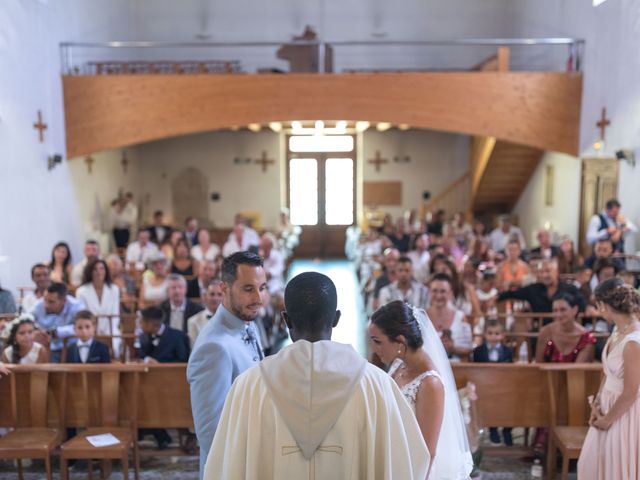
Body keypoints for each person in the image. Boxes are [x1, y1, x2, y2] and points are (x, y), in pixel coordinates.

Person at [205, 274, 430, 480]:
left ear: (286, 319)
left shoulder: (249, 386)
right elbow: (410, 462)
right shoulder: (377, 385)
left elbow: (224, 466)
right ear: (336, 318)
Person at [369, 300, 473, 479]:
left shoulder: (430, 383)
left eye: (378, 342)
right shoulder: (398, 365)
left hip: (417, 469)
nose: (374, 349)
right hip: (397, 456)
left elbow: (427, 452)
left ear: (401, 342)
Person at [187, 251, 268, 477]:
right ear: (224, 288)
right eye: (248, 288)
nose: (259, 299)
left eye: (262, 288)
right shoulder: (213, 347)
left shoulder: (247, 322)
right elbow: (210, 432)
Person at [578, 278, 640, 479]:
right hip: (607, 403)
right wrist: (597, 403)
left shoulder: (633, 342)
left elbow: (631, 391)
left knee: (617, 467)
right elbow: (608, 372)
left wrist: (607, 421)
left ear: (603, 306)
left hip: (624, 413)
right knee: (592, 463)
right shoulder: (616, 331)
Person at [138, 305, 190, 450]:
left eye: (141, 322)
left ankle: (162, 435)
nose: (139, 325)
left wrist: (160, 365)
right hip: (148, 384)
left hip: (173, 385)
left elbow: (184, 361)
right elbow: (142, 355)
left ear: (153, 324)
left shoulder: (177, 336)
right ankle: (155, 434)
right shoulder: (143, 336)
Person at [498, 258, 586, 327]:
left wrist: (587, 308)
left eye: (548, 271)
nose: (545, 275)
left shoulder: (569, 288)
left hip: (564, 331)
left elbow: (582, 302)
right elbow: (511, 294)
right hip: (540, 331)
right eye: (542, 272)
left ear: (557, 271)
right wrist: (495, 298)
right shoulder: (533, 289)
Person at [473, 319, 513, 445]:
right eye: (490, 333)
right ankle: (493, 430)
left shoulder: (508, 351)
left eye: (497, 333)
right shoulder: (478, 351)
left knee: (507, 406)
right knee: (490, 406)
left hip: (503, 385)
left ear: (502, 335)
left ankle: (507, 430)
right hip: (485, 386)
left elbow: (511, 368)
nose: (493, 336)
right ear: (485, 334)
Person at [75, 259, 121, 356]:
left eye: (101, 269)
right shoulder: (81, 291)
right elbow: (83, 316)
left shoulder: (114, 289)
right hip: (89, 330)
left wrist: (109, 333)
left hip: (110, 329)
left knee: (115, 347)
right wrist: (94, 331)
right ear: (90, 272)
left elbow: (116, 315)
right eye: (95, 269)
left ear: (106, 271)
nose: (99, 272)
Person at [535, 292, 595, 363]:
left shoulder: (586, 338)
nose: (558, 314)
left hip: (576, 374)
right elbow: (538, 364)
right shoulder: (545, 332)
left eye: (563, 310)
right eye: (555, 310)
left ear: (574, 310)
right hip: (546, 374)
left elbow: (578, 370)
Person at [30, 283, 84, 363]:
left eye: (51, 302)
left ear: (64, 301)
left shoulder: (76, 306)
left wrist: (55, 332)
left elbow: (81, 327)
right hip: (45, 347)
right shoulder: (39, 305)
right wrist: (36, 330)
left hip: (71, 347)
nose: (46, 305)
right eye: (45, 299)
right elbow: (26, 320)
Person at [427, 273, 473, 361]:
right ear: (429, 292)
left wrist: (452, 349)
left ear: (450, 293)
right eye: (435, 291)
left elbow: (468, 348)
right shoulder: (420, 317)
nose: (438, 295)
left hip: (455, 368)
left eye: (443, 291)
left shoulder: (461, 317)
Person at [187, 281, 223, 347]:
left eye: (219, 294)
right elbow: (194, 349)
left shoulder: (232, 320)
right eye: (212, 294)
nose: (215, 298)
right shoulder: (193, 322)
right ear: (205, 297)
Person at [259, 232, 285, 296]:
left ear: (271, 246)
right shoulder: (258, 256)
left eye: (266, 246)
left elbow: (273, 273)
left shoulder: (277, 256)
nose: (264, 249)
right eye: (263, 246)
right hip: (261, 288)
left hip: (276, 288)